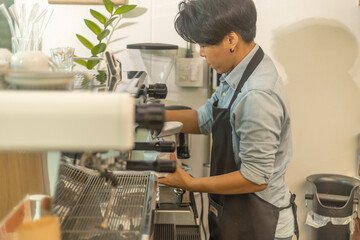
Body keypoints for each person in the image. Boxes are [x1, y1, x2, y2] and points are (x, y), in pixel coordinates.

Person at [158, 0, 299, 239]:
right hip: (237, 215)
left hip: (261, 224)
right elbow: (204, 119)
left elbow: (255, 177)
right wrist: (146, 117)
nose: (201, 53)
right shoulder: (239, 70)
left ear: (231, 40)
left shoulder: (256, 95)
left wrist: (191, 183)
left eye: (204, 45)